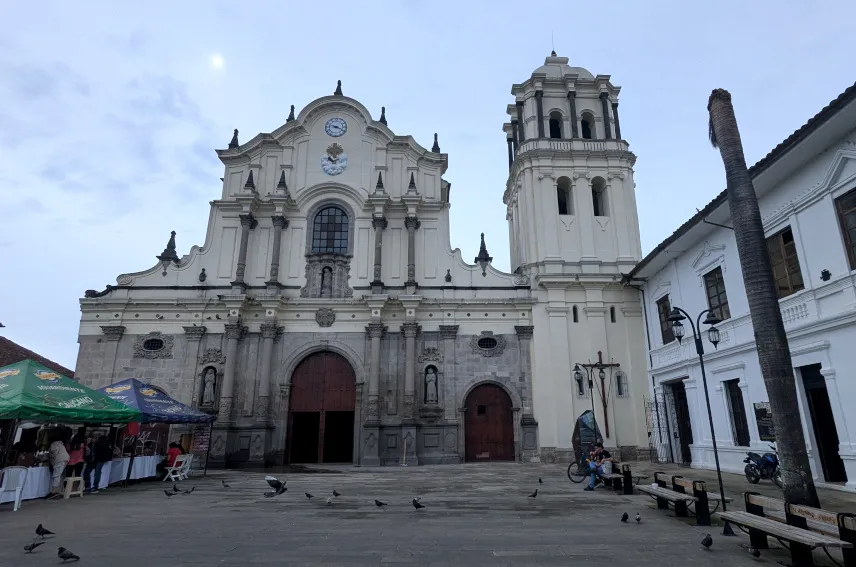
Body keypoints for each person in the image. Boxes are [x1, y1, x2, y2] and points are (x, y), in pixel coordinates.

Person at [48, 431, 70, 499]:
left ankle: (54, 491)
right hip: (66, 458)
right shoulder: (60, 444)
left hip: (60, 459)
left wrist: (50, 457)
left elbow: (54, 453)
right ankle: (59, 490)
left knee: (56, 475)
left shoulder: (54, 444)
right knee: (60, 475)